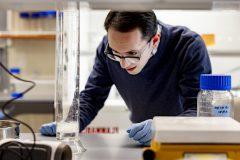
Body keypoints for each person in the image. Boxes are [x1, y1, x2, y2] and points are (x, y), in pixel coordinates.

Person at [40, 10, 212, 145]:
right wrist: (71, 123)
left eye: (132, 53)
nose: (123, 64)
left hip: (181, 141)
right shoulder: (106, 49)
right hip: (138, 140)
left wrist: (162, 128)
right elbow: (92, 97)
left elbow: (199, 109)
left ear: (155, 40)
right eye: (116, 53)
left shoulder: (188, 46)